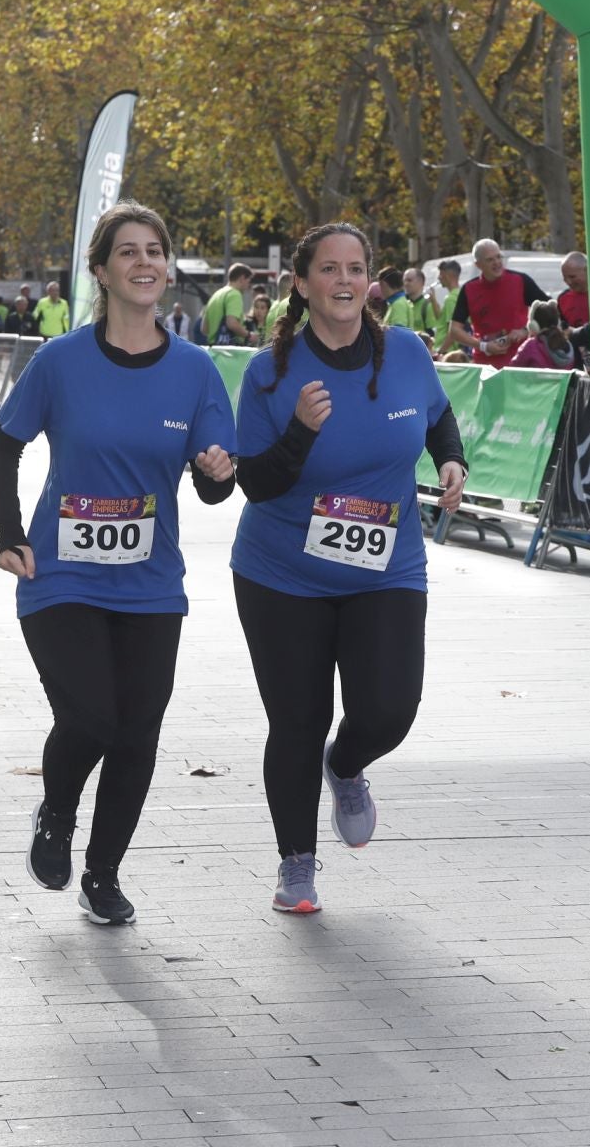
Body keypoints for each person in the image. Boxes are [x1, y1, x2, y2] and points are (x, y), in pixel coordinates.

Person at [0, 201, 238, 925]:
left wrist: (218, 470)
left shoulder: (194, 371)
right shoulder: (61, 360)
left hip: (151, 585)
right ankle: (56, 813)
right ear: (101, 270)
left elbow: (216, 484)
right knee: (92, 717)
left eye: (155, 250)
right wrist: (10, 533)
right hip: (60, 576)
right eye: (128, 252)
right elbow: (3, 443)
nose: (145, 262)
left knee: (138, 733)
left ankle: (103, 874)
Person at [230, 222, 467, 914]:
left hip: (385, 567)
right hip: (282, 573)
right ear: (300, 285)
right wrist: (301, 430)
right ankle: (296, 865)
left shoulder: (406, 355)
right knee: (297, 720)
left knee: (390, 709)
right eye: (328, 269)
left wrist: (451, 458)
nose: (343, 280)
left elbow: (438, 416)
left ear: (370, 280)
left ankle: (348, 764)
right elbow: (256, 484)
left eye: (356, 268)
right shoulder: (271, 373)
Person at [449, 239, 545, 367]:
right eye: (490, 260)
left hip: (522, 362)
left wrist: (524, 331)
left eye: (499, 257)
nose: (497, 263)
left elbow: (548, 311)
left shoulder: (520, 280)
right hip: (486, 365)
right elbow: (454, 330)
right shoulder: (469, 289)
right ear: (478, 265)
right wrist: (483, 346)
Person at [508, 300, 580, 370]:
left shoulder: (530, 345)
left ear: (533, 325)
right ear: (558, 323)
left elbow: (512, 368)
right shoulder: (568, 345)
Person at [203, 264, 251, 346]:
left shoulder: (216, 294)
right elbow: (231, 323)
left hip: (212, 349)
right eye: (248, 281)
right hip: (229, 352)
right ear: (242, 278)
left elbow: (204, 329)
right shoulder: (234, 294)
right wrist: (249, 335)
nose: (248, 286)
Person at [555, 251, 590, 328]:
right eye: (565, 278)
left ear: (587, 270)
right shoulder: (563, 299)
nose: (568, 282)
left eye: (572, 277)